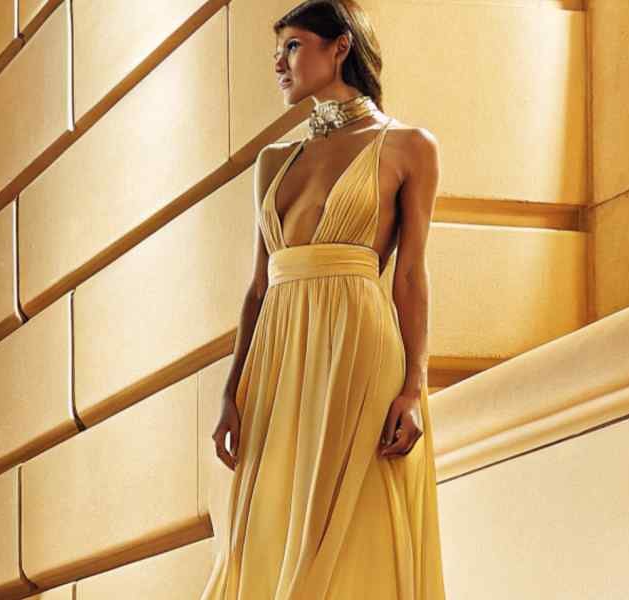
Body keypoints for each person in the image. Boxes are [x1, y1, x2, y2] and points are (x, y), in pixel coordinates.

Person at [200, 0, 447, 598]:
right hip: (279, 357)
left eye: (292, 46)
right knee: (267, 527)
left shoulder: (408, 146)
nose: (279, 64)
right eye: (276, 51)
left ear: (340, 47)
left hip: (358, 348)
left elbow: (410, 276)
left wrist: (414, 387)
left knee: (352, 523)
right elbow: (259, 287)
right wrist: (233, 390)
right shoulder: (275, 160)